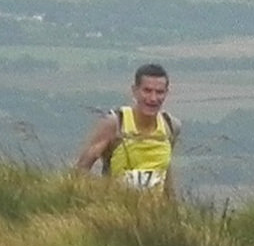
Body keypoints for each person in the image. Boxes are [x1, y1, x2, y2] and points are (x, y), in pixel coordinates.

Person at [73, 64, 180, 193]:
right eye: (147, 90)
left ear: (166, 93)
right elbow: (81, 169)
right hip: (116, 208)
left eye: (159, 92)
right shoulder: (115, 124)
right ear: (135, 91)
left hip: (154, 211)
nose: (153, 98)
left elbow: (166, 171)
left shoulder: (171, 126)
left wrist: (171, 208)